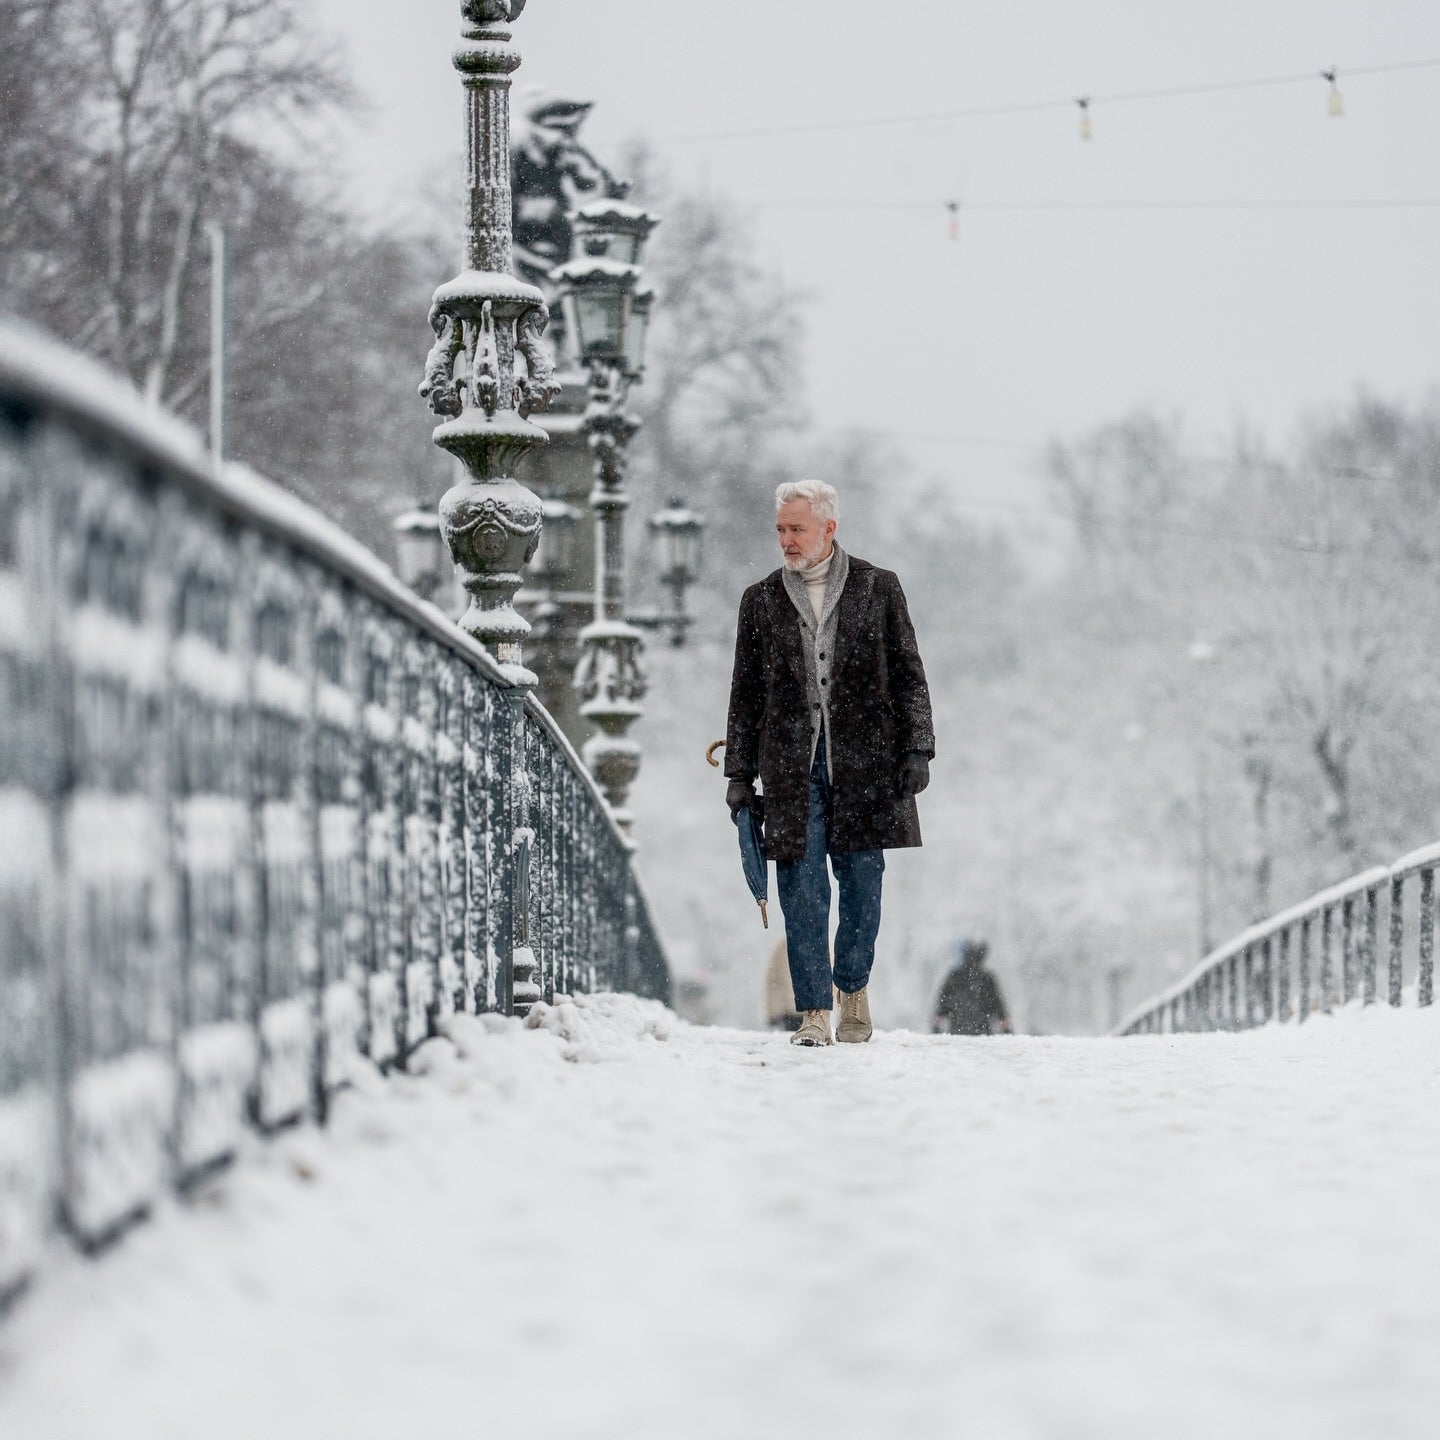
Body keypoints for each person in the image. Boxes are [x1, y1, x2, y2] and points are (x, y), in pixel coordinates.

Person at [725, 480, 935, 1047]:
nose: (787, 540)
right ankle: (815, 1009)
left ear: (828, 529)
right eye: (781, 530)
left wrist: (918, 748)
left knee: (864, 880)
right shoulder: (761, 600)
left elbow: (908, 671)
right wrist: (739, 775)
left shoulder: (878, 588)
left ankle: (854, 989)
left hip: (867, 762)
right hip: (792, 765)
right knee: (801, 885)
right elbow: (745, 693)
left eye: (797, 529)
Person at [933, 939, 1012, 1036]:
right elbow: (997, 1004)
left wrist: (936, 1025)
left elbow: (943, 1003)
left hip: (957, 1031)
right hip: (982, 1031)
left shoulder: (955, 976)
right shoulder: (986, 978)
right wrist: (1005, 1024)